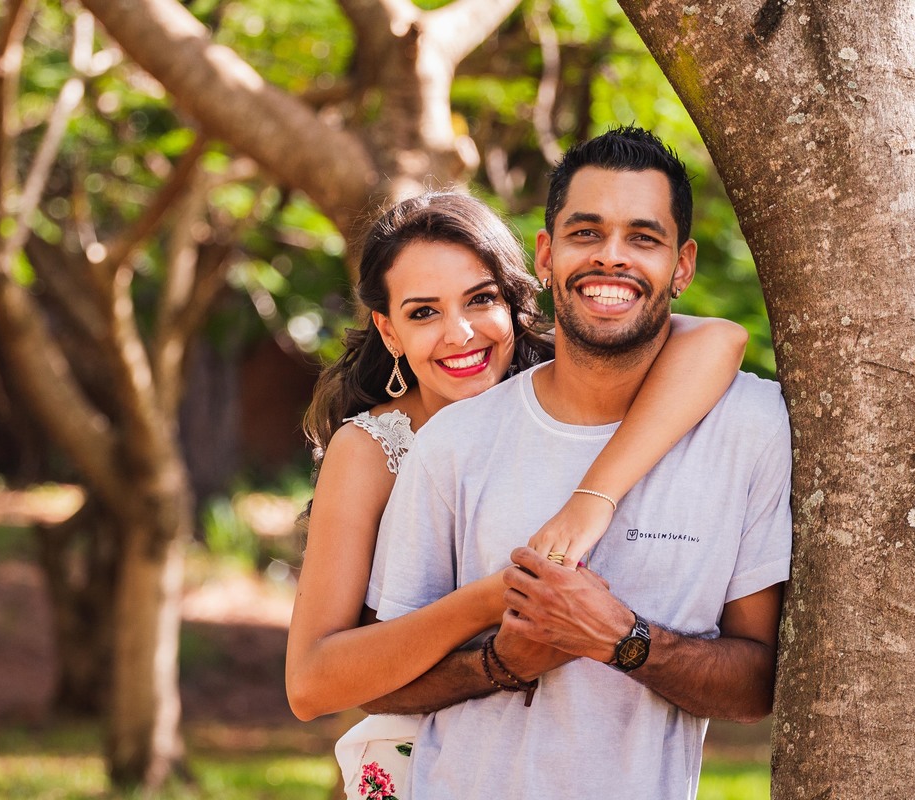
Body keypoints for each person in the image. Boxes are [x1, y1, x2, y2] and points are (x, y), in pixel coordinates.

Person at [364, 127, 793, 799]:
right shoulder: (457, 440)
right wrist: (503, 661)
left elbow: (754, 685)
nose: (611, 259)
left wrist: (625, 639)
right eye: (586, 233)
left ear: (682, 267)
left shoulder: (752, 428)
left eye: (643, 239)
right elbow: (377, 677)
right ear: (547, 254)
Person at [284, 191, 748, 795]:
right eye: (423, 313)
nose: (461, 333)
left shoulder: (569, 390)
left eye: (480, 300)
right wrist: (496, 600)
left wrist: (591, 502)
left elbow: (718, 340)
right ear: (388, 329)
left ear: (515, 299)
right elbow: (310, 683)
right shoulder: (375, 448)